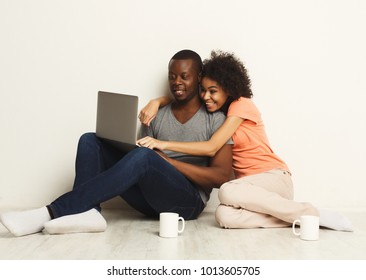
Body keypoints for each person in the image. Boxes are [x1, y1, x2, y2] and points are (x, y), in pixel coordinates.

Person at [0, 49, 233, 237]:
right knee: (90, 140)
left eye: (184, 76)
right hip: (149, 200)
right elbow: (144, 160)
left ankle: (51, 212)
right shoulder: (156, 114)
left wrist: (166, 162)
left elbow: (221, 177)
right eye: (172, 76)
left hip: (186, 204)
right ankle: (89, 212)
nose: (177, 82)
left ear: (199, 77)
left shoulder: (217, 119)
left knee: (145, 157)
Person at [137, 50, 353, 231]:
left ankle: (310, 213)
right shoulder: (217, 112)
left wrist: (163, 144)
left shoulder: (241, 106)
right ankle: (294, 220)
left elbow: (212, 147)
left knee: (227, 191)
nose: (205, 97)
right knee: (224, 216)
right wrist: (158, 100)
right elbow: (184, 99)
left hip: (273, 178)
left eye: (213, 91)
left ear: (228, 90)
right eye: (203, 90)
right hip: (248, 189)